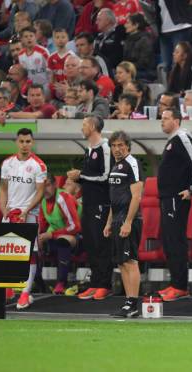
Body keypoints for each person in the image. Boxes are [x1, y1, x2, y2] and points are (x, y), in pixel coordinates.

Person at [0, 128, 47, 310]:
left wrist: (26, 210)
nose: (25, 145)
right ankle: (9, 290)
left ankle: (25, 293)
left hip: (29, 215)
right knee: (6, 252)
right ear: (16, 142)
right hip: (10, 214)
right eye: (22, 141)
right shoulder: (7, 163)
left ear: (32, 142)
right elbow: (3, 187)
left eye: (28, 141)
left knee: (29, 254)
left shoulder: (39, 165)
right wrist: (3, 208)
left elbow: (40, 191)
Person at [157, 108, 192, 301]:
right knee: (168, 241)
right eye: (162, 118)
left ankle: (181, 286)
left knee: (176, 240)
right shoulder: (172, 140)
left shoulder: (182, 137)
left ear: (177, 120)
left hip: (176, 198)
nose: (162, 121)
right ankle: (175, 283)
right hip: (167, 198)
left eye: (166, 118)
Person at [67, 115, 112, 301]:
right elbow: (90, 178)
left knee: (102, 245)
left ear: (93, 126)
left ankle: (105, 285)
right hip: (88, 203)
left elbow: (106, 176)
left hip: (102, 204)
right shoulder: (89, 149)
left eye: (84, 125)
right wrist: (78, 182)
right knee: (91, 245)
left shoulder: (105, 147)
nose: (82, 128)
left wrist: (82, 175)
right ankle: (94, 283)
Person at [103, 131, 143, 317]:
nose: (117, 149)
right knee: (121, 262)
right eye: (114, 146)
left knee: (130, 261)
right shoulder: (115, 166)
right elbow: (114, 198)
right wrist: (109, 222)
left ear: (127, 146)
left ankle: (133, 303)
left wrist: (128, 222)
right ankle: (128, 302)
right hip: (117, 218)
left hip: (130, 219)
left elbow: (136, 196)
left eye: (120, 145)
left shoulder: (132, 164)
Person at [38, 175, 81, 295]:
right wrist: (39, 237)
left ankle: (62, 283)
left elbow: (75, 227)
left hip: (78, 237)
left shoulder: (63, 198)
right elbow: (41, 225)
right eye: (42, 186)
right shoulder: (42, 200)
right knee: (34, 242)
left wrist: (51, 235)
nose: (45, 189)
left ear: (55, 185)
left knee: (62, 240)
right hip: (55, 236)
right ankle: (38, 284)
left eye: (48, 185)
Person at [155, 0, 192, 71]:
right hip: (163, 31)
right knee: (165, 65)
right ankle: (169, 81)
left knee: (177, 63)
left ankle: (181, 81)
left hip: (180, 27)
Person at [123, 13, 156, 81]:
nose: (125, 25)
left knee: (123, 75)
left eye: (128, 23)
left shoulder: (145, 40)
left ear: (136, 25)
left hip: (145, 72)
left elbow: (144, 63)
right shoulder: (128, 39)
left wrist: (128, 67)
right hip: (132, 69)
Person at [94, 8, 126, 73]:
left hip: (114, 69)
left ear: (107, 21)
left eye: (99, 20)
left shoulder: (119, 33)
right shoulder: (98, 37)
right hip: (99, 68)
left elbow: (118, 56)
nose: (96, 22)